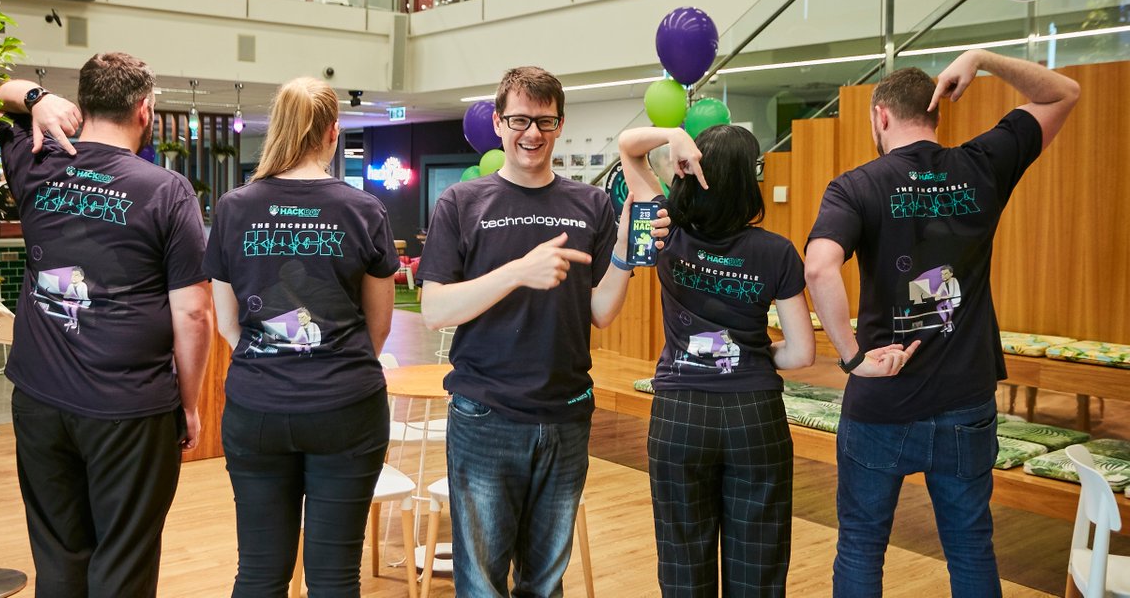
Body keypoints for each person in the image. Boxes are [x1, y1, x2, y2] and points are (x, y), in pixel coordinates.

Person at [804, 50, 1080, 597]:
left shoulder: (855, 185)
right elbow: (1062, 91)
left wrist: (854, 357)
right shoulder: (981, 164)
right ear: (935, 112)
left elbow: (818, 265)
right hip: (965, 400)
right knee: (971, 544)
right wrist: (982, 59)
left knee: (861, 544)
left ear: (881, 117)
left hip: (883, 401)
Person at [418, 66, 664, 598]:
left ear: (560, 124)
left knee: (545, 582)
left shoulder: (591, 204)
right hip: (485, 415)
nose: (532, 134)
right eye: (520, 120)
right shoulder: (462, 204)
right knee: (482, 584)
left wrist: (624, 245)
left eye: (545, 122)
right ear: (500, 125)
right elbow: (435, 309)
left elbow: (599, 311)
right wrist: (517, 273)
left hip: (567, 415)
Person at [0, 53, 213, 597]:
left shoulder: (35, 161)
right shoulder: (167, 190)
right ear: (146, 110)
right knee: (124, 559)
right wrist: (188, 404)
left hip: (40, 399)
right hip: (129, 408)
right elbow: (193, 312)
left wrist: (37, 100)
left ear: (81, 105)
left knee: (60, 555)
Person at [203, 77, 397, 597]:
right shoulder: (363, 209)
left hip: (257, 408)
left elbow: (226, 323)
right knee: (335, 579)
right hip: (347, 408)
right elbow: (379, 324)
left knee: (260, 575)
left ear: (279, 129)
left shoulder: (233, 208)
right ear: (333, 133)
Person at [619, 124, 816, 597]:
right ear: (751, 181)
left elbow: (628, 148)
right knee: (759, 564)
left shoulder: (666, 229)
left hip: (679, 414)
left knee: (683, 558)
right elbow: (802, 353)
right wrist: (756, 354)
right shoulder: (777, 252)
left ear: (688, 170)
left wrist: (672, 135)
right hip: (755, 416)